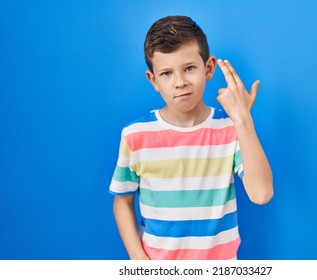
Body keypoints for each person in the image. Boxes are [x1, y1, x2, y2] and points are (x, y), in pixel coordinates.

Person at [109, 15, 273, 260]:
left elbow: (261, 194)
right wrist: (138, 260)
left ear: (208, 68)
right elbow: (122, 201)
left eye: (189, 68)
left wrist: (243, 119)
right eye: (166, 73)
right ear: (152, 80)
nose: (180, 82)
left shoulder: (230, 128)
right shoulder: (135, 135)